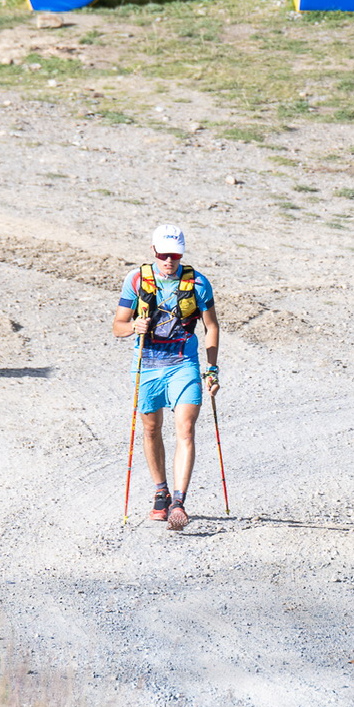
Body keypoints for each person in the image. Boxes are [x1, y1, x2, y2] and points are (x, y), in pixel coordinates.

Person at [111, 224, 220, 529]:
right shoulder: (136, 280)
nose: (169, 261)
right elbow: (118, 325)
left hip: (184, 363)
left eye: (175, 255)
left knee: (185, 429)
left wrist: (211, 368)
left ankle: (179, 502)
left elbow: (211, 326)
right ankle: (161, 492)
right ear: (154, 252)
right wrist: (134, 327)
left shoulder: (198, 283)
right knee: (151, 429)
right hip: (146, 365)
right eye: (163, 255)